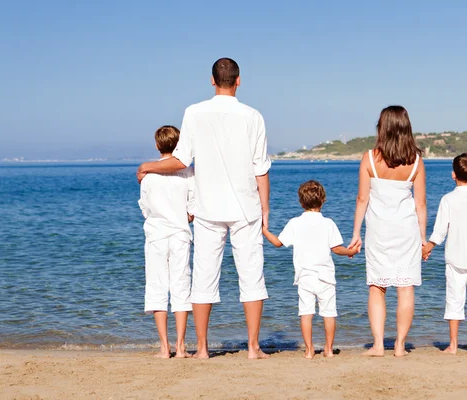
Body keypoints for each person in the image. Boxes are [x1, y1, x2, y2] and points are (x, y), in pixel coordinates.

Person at [136, 58, 271, 359]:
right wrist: (266, 209)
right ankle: (253, 347)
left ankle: (202, 349)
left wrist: (148, 165)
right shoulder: (253, 116)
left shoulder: (193, 113)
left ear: (212, 80)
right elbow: (261, 169)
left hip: (208, 207)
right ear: (239, 81)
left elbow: (181, 161)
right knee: (251, 276)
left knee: (204, 278)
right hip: (245, 208)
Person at [348, 105, 426, 357]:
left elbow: (362, 199)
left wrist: (356, 233)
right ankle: (400, 346)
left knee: (376, 287)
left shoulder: (369, 158)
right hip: (407, 231)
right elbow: (420, 204)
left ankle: (379, 345)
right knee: (405, 289)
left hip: (378, 231)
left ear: (382, 128)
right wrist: (424, 238)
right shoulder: (415, 161)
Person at [262, 181, 358, 359]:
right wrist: (351, 251)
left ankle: (309, 350)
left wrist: (263, 229)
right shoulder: (328, 223)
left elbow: (277, 243)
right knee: (329, 313)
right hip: (326, 277)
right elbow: (337, 249)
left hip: (304, 276)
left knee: (306, 314)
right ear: (323, 200)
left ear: (301, 202)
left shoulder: (294, 223)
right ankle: (328, 349)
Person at [422, 153, 467, 354]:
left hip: (455, 259)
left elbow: (440, 232)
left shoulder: (448, 199)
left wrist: (426, 249)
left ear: (453, 175)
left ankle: (453, 345)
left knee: (454, 300)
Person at [138, 125, 195, 359]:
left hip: (156, 235)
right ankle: (181, 347)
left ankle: (164, 347)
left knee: (156, 287)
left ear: (156, 145)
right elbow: (192, 212)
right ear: (179, 144)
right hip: (181, 234)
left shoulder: (148, 176)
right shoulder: (189, 174)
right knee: (181, 287)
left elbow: (146, 209)